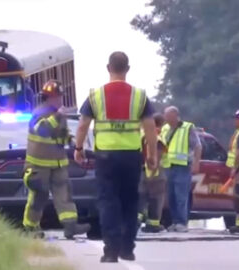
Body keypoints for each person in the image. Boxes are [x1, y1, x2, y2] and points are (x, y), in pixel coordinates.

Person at [74, 52, 157, 263]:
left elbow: (83, 124)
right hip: (131, 156)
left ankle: (111, 251)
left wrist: (79, 148)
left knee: (108, 201)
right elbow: (150, 128)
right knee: (130, 202)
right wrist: (152, 155)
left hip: (105, 157)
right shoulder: (140, 96)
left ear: (108, 68)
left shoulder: (95, 96)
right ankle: (127, 248)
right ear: (127, 69)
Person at [22, 79, 91, 239]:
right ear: (48, 98)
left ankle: (70, 226)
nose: (60, 100)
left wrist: (75, 145)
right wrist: (57, 116)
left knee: (65, 194)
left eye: (61, 96)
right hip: (38, 165)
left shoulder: (59, 115)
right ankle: (30, 227)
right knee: (39, 196)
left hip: (59, 164)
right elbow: (43, 130)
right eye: (57, 97)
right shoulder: (39, 113)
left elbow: (61, 135)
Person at [162, 106, 202, 232]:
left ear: (175, 115)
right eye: (165, 116)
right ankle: (175, 221)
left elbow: (197, 146)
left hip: (183, 166)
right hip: (168, 167)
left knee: (181, 196)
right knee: (171, 196)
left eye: (168, 116)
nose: (166, 118)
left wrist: (196, 163)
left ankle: (182, 222)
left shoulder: (187, 128)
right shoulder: (165, 128)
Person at [138, 113, 170, 233]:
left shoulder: (140, 134)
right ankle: (153, 224)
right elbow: (157, 154)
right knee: (156, 198)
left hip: (140, 170)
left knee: (141, 197)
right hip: (154, 172)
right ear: (160, 124)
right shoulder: (156, 137)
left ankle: (136, 221)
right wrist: (153, 170)